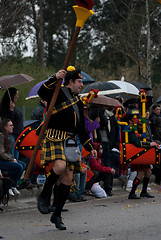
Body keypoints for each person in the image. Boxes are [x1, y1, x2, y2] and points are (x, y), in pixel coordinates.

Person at [37, 66, 97, 230]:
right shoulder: (58, 91)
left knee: (68, 178)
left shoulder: (78, 101)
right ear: (70, 82)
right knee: (60, 166)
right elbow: (42, 92)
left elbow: (81, 129)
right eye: (79, 81)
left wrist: (89, 146)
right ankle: (44, 193)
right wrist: (54, 77)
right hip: (55, 136)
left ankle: (56, 215)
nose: (81, 84)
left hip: (69, 141)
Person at [123, 115, 157, 199]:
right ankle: (132, 193)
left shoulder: (136, 130)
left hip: (142, 155)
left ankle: (144, 191)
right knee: (140, 174)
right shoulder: (129, 130)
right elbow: (137, 143)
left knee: (148, 172)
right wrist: (149, 144)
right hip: (137, 154)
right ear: (130, 121)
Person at [0, 87, 24, 166]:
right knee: (12, 154)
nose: (17, 96)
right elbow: (6, 120)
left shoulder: (13, 105)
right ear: (13, 95)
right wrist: (11, 110)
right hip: (12, 134)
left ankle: (16, 170)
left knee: (16, 156)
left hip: (18, 134)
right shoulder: (7, 107)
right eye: (16, 95)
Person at [0, 118, 23, 196]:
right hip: (1, 161)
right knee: (18, 167)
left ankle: (13, 185)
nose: (12, 127)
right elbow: (1, 153)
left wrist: (13, 158)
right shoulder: (1, 137)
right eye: (10, 125)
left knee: (22, 164)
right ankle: (8, 186)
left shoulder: (8, 137)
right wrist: (11, 159)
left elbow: (7, 153)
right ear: (5, 127)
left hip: (5, 159)